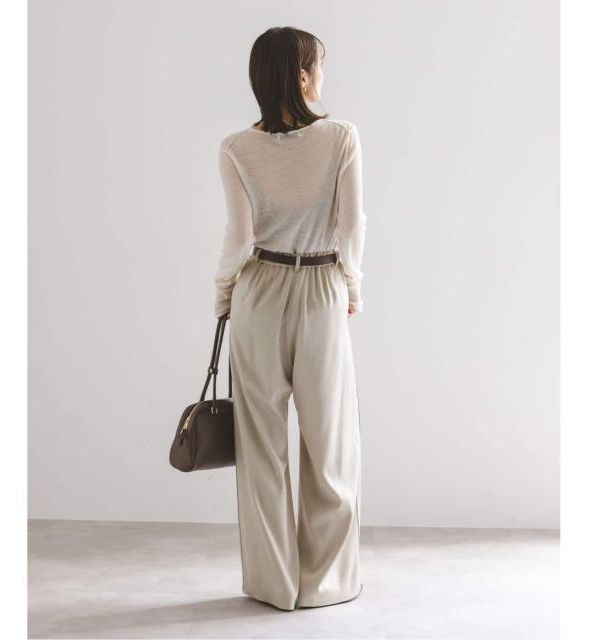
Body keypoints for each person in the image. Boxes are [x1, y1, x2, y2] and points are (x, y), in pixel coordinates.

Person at [213, 26, 366, 611]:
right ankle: (326, 584)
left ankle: (272, 585)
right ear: (302, 76)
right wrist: (352, 284)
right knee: (331, 442)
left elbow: (238, 238)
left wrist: (224, 294)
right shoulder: (341, 137)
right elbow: (351, 226)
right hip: (322, 286)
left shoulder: (235, 147)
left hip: (257, 291)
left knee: (260, 446)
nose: (322, 75)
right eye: (318, 65)